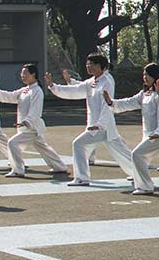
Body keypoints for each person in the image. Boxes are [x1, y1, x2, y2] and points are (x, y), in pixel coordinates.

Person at [46, 54, 135, 187]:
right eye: (88, 64)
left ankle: (82, 178)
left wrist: (99, 125)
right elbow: (77, 90)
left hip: (102, 126)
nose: (88, 66)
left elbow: (107, 105)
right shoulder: (92, 81)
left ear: (102, 67)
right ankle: (138, 172)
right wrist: (54, 86)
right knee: (120, 151)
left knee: (78, 144)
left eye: (92, 64)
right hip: (100, 126)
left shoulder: (107, 81)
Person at [106, 63, 159, 195]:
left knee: (137, 155)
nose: (144, 77)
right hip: (151, 135)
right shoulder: (144, 93)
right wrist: (111, 102)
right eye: (143, 74)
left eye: (147, 74)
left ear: (155, 76)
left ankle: (145, 186)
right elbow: (129, 102)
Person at [0, 63, 69, 177]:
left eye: (25, 73)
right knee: (43, 147)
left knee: (12, 143)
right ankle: (60, 167)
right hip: (27, 127)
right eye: (22, 73)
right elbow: (10, 96)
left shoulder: (37, 91)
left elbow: (35, 111)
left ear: (33, 74)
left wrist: (26, 121)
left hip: (32, 127)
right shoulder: (24, 90)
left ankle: (18, 170)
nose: (22, 76)